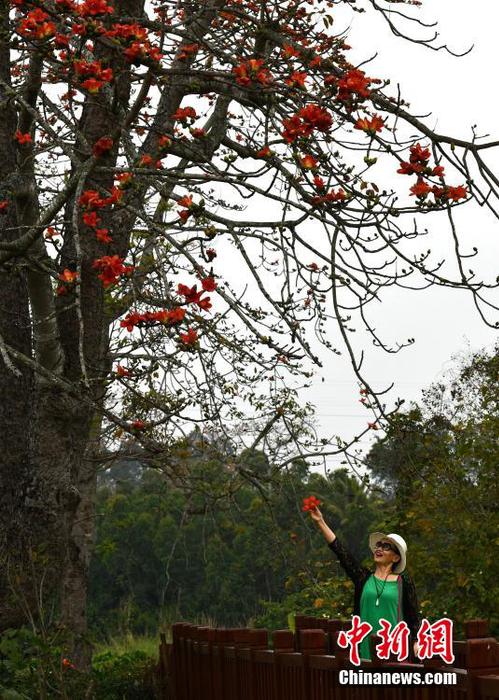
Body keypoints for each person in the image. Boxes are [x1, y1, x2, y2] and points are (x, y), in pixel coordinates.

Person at [308, 505, 421, 661]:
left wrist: (416, 641)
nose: (379, 548)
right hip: (364, 651)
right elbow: (341, 551)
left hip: (394, 652)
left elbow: (414, 617)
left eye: (386, 546)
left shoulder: (403, 582)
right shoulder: (363, 578)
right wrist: (320, 521)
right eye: (379, 545)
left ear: (396, 557)